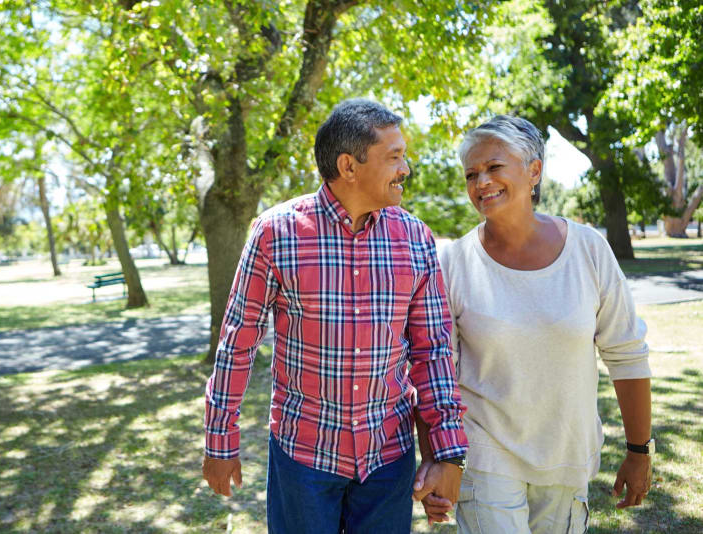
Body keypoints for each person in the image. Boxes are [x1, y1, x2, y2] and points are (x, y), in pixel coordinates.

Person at [203, 98, 468, 533]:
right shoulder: (275, 232)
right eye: (395, 157)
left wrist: (446, 453)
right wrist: (219, 440)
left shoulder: (415, 237)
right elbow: (238, 341)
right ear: (349, 166)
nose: (406, 168)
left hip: (388, 458)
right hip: (303, 458)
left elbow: (433, 352)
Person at [416, 115, 653, 532]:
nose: (481, 182)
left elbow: (627, 353)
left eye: (493, 167)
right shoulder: (452, 263)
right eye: (472, 174)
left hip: (566, 456)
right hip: (485, 454)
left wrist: (639, 450)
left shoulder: (589, 250)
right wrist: (438, 460)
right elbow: (434, 370)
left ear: (534, 170)